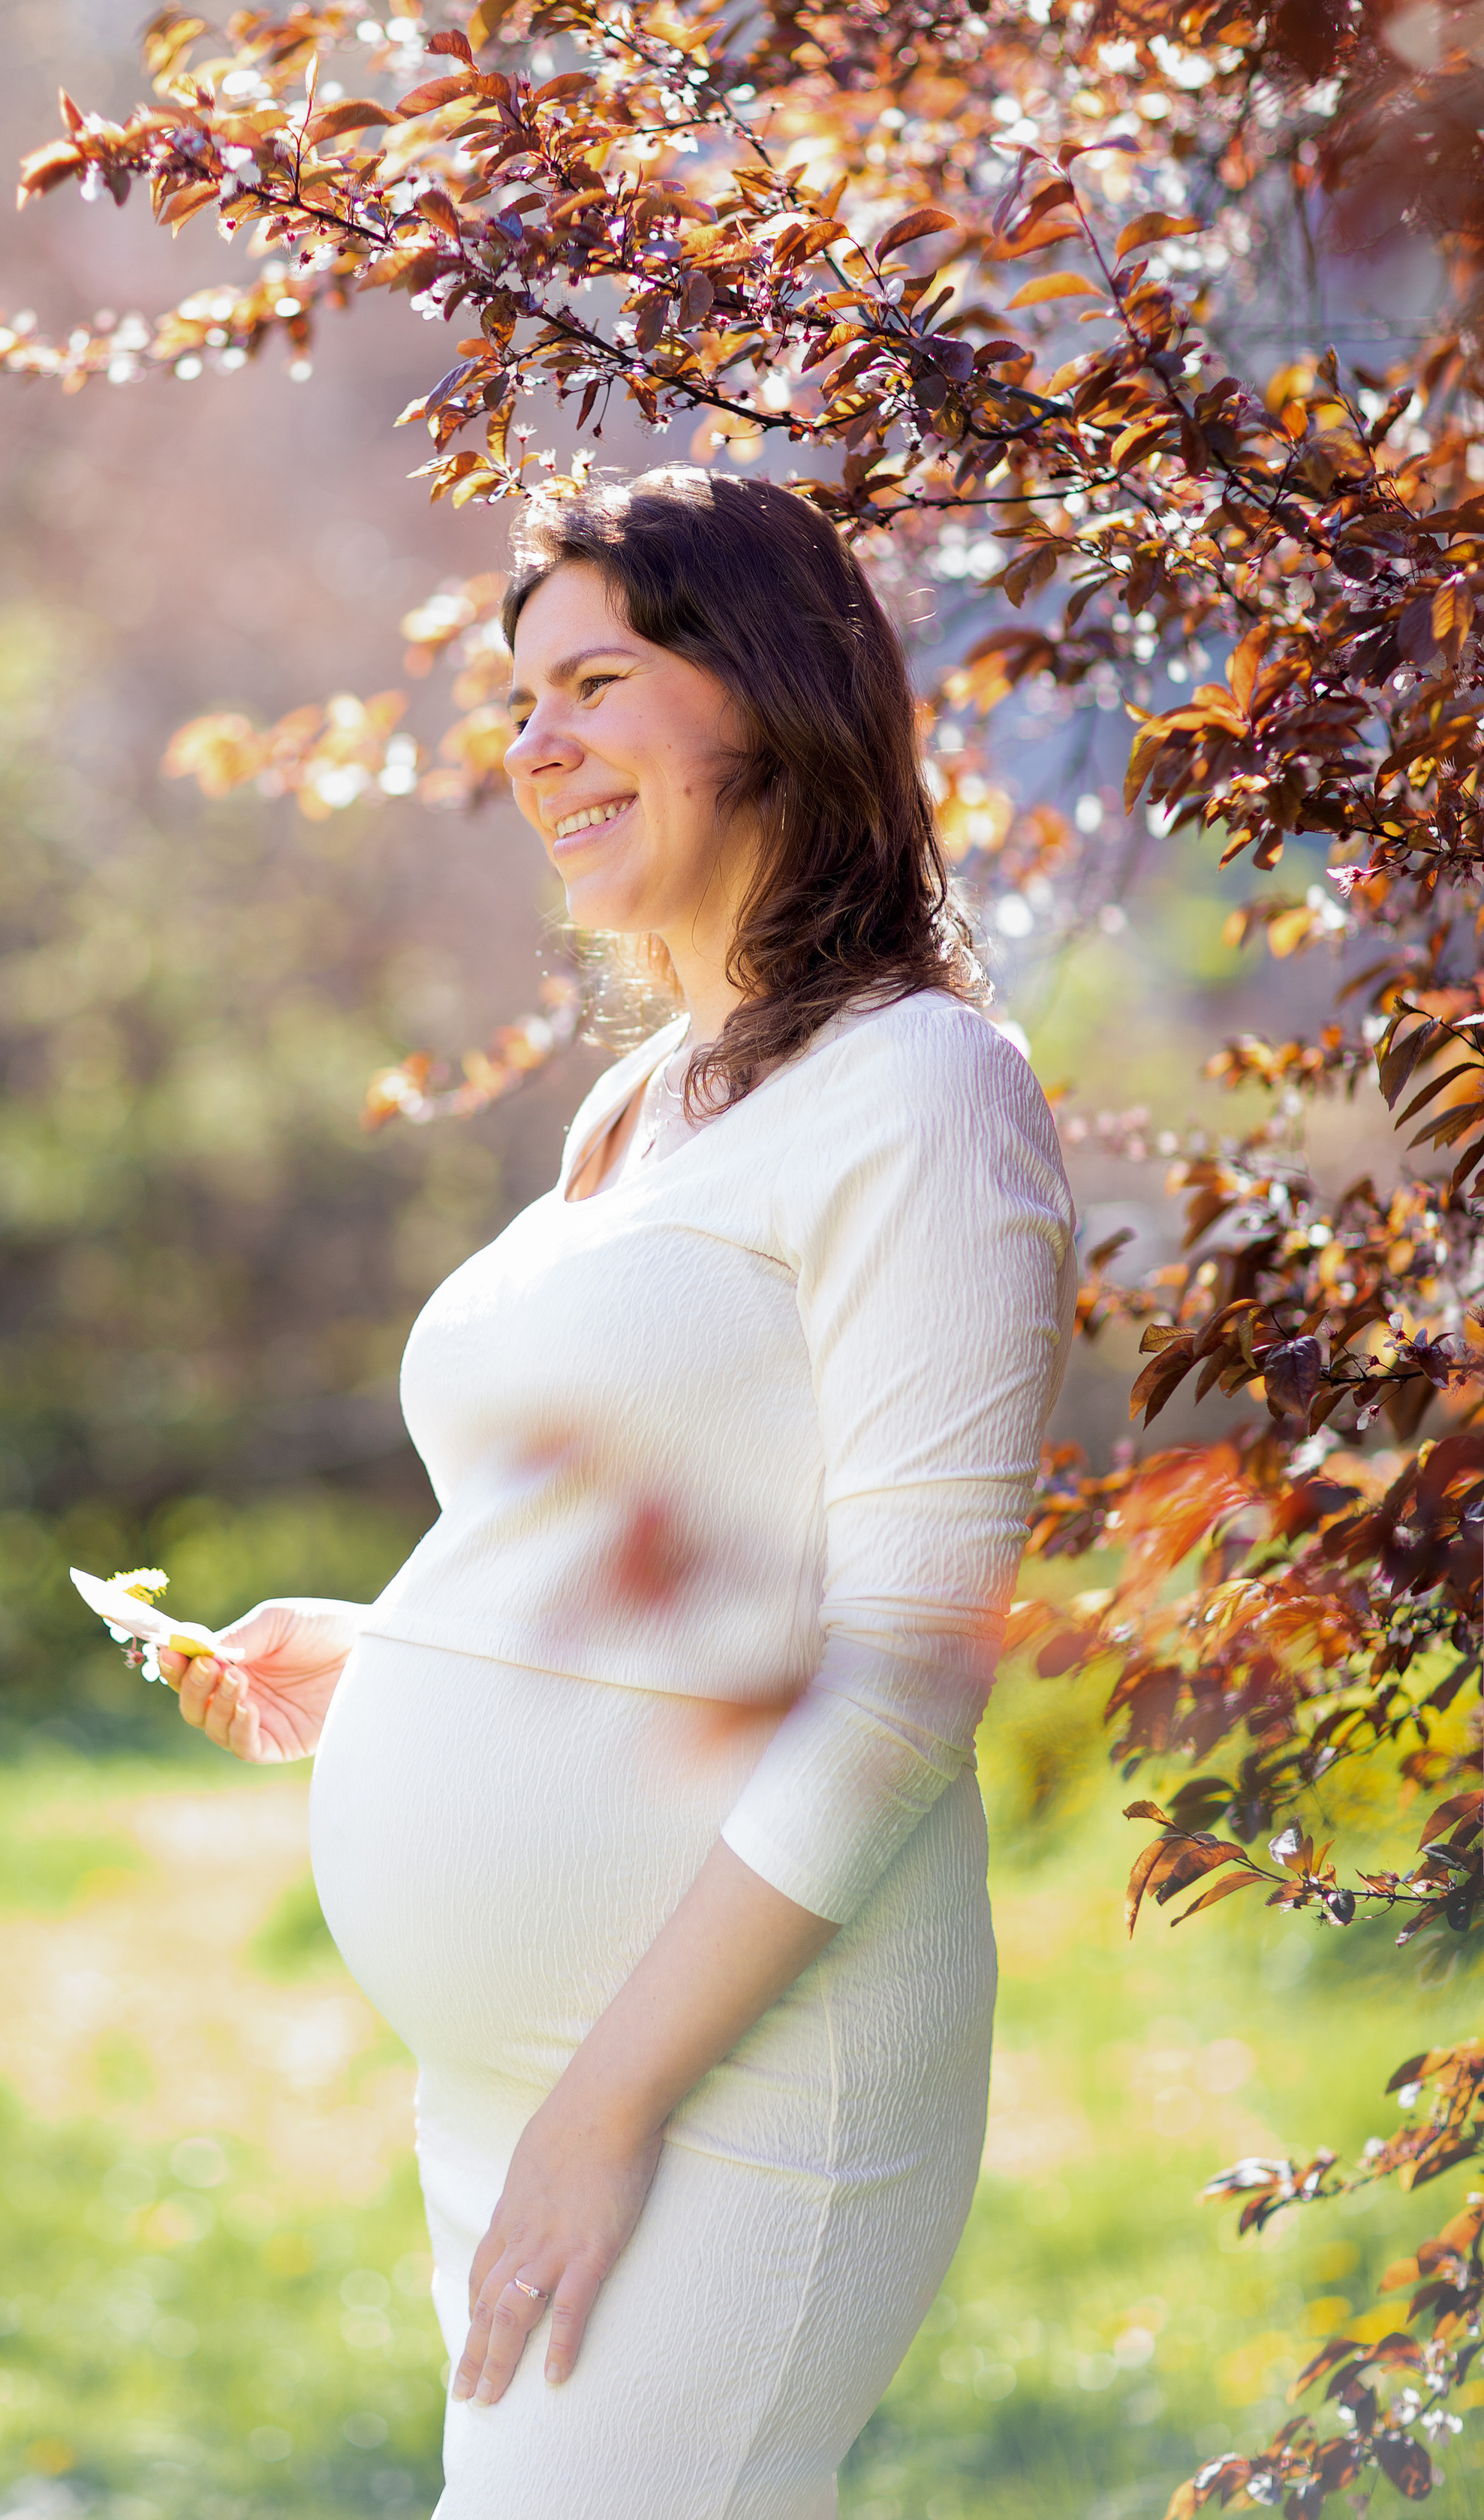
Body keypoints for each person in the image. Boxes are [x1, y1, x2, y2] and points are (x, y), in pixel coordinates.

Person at [160, 468, 1076, 2519]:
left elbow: (910, 1674)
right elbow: (665, 1512)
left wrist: (610, 2105)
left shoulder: (927, 1094)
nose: (535, 747)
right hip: (529, 2075)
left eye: (592, 682)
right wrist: (402, 1654)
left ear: (768, 691)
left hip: (729, 2082)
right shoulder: (647, 1100)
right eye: (517, 704)